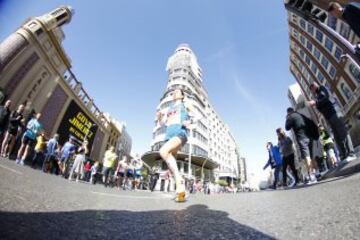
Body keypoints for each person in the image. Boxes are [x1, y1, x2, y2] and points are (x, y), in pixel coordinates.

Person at [157, 88, 198, 202]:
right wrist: (159, 117)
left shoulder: (185, 104)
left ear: (182, 95)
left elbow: (197, 116)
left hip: (180, 134)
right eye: (173, 92)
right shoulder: (170, 108)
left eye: (177, 92)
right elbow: (162, 124)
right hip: (169, 136)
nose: (174, 93)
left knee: (163, 152)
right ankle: (180, 192)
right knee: (172, 168)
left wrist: (189, 122)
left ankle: (180, 183)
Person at [308, 82, 355, 161]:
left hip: (334, 113)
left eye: (313, 86)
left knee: (343, 132)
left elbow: (326, 97)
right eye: (311, 88)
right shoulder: (317, 96)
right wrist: (316, 104)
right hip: (329, 117)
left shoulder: (322, 88)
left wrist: (316, 103)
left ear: (316, 85)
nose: (312, 89)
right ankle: (343, 155)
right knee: (336, 136)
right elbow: (320, 108)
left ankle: (351, 152)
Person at [285, 108, 318, 184]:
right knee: (311, 155)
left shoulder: (291, 116)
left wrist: (287, 118)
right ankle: (317, 173)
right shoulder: (301, 115)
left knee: (307, 156)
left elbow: (287, 127)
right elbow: (310, 122)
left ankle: (312, 176)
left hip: (302, 138)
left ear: (288, 112)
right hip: (309, 137)